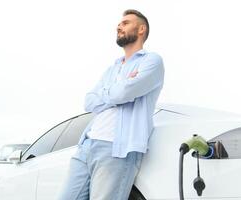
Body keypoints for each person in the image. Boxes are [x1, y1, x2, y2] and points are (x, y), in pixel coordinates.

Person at [58, 9, 164, 200]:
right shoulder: (113, 68)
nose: (118, 26)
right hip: (87, 145)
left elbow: (123, 92)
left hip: (116, 150)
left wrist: (115, 92)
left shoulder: (152, 61)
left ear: (141, 29)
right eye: (119, 24)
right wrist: (118, 90)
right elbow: (89, 101)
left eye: (125, 23)